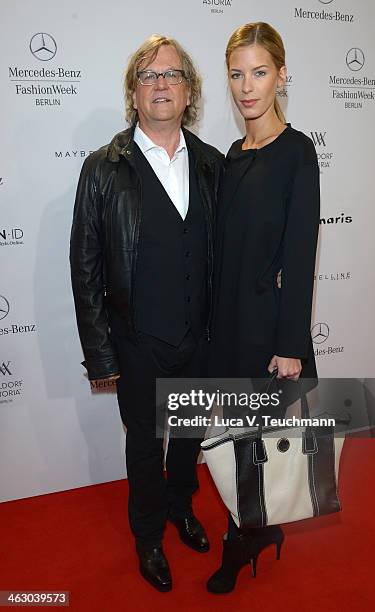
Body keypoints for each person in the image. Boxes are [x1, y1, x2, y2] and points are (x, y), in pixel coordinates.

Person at [70, 35, 223, 592]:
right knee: (144, 442)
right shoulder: (103, 168)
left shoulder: (211, 164)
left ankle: (182, 508)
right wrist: (100, 355)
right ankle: (148, 537)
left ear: (189, 93)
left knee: (187, 433)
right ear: (134, 93)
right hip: (137, 340)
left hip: (199, 335)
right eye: (149, 76)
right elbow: (83, 267)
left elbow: (225, 253)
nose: (162, 84)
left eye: (173, 75)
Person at [206, 22, 320, 594]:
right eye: (236, 73)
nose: (246, 87)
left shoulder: (297, 153)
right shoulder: (232, 153)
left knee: (253, 441)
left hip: (265, 327)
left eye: (259, 72)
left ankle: (239, 540)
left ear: (280, 74)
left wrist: (290, 344)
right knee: (229, 441)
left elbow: (300, 254)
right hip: (224, 326)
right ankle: (255, 531)